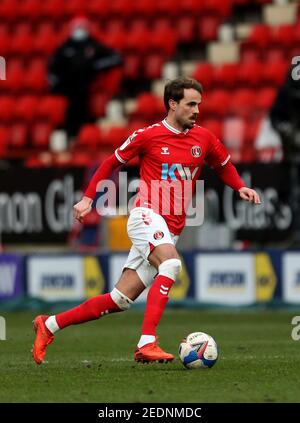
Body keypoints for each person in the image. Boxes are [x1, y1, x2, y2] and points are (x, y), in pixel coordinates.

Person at [32, 77, 261, 365]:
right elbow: (111, 162)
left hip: (170, 229)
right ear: (172, 104)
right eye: (191, 104)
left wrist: (239, 186)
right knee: (171, 264)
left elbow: (224, 165)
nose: (196, 110)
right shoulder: (148, 135)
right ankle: (147, 342)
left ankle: (49, 324)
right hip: (146, 216)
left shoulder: (203, 138)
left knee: (119, 299)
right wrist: (89, 198)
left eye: (199, 105)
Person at [48, 16, 122, 138]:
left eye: (82, 27)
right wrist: (58, 81)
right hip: (69, 87)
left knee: (84, 109)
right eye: (77, 27)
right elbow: (53, 67)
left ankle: (85, 132)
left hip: (87, 85)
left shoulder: (93, 45)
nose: (79, 30)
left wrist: (94, 66)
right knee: (70, 110)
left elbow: (115, 58)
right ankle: (71, 133)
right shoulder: (66, 47)